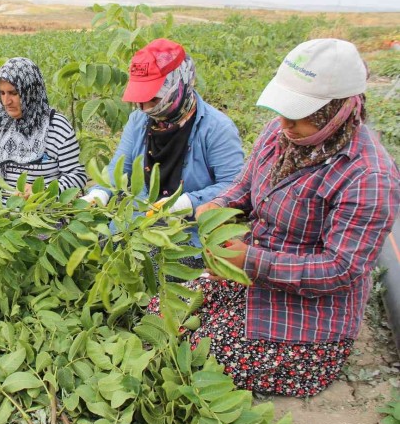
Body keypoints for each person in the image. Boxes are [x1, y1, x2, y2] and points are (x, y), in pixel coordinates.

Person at [158, 38, 400, 397]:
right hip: (253, 277)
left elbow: (340, 268)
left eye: (300, 115)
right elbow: (243, 188)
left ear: (338, 109)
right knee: (161, 317)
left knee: (191, 356)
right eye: (284, 110)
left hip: (308, 316)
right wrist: (217, 206)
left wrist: (252, 260)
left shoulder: (368, 176)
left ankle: (314, 361)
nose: (285, 122)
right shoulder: (280, 133)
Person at [81, 38, 244, 250]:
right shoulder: (138, 120)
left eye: (154, 99)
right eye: (141, 99)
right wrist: (100, 193)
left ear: (179, 85)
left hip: (189, 234)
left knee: (154, 271)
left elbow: (235, 187)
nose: (146, 107)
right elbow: (121, 167)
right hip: (138, 223)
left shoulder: (217, 128)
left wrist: (186, 203)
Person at [0, 57, 87, 199]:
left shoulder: (56, 126)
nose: (6, 101)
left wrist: (44, 191)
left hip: (38, 212)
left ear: (31, 91)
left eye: (14, 93)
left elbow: (77, 175)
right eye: (2, 93)